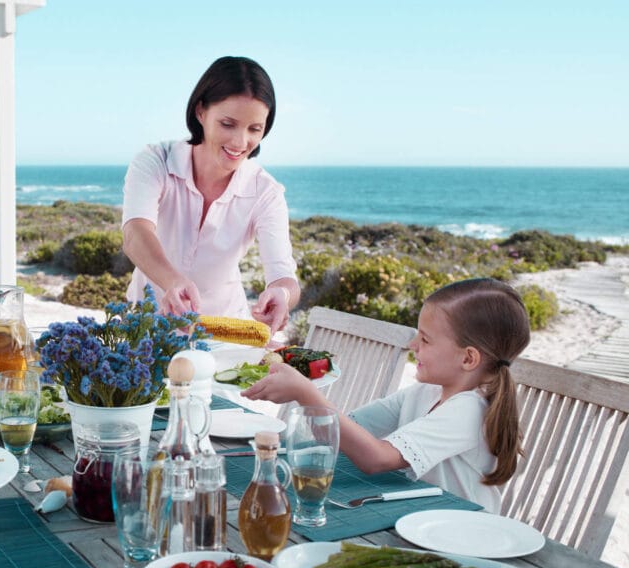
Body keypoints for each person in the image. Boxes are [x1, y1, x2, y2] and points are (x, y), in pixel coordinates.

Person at [243, 278, 531, 512]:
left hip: (461, 535)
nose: (413, 344)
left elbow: (375, 459)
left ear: (468, 359)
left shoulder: (469, 410)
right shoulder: (425, 392)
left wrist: (304, 392)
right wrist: (291, 365)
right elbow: (342, 432)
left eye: (425, 339)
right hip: (418, 516)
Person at [121, 56, 301, 333]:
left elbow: (284, 277)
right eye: (228, 124)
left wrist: (283, 295)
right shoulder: (155, 161)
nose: (241, 142)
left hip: (224, 337)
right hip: (146, 328)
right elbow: (135, 234)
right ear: (201, 112)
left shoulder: (266, 192)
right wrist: (171, 281)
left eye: (255, 129)